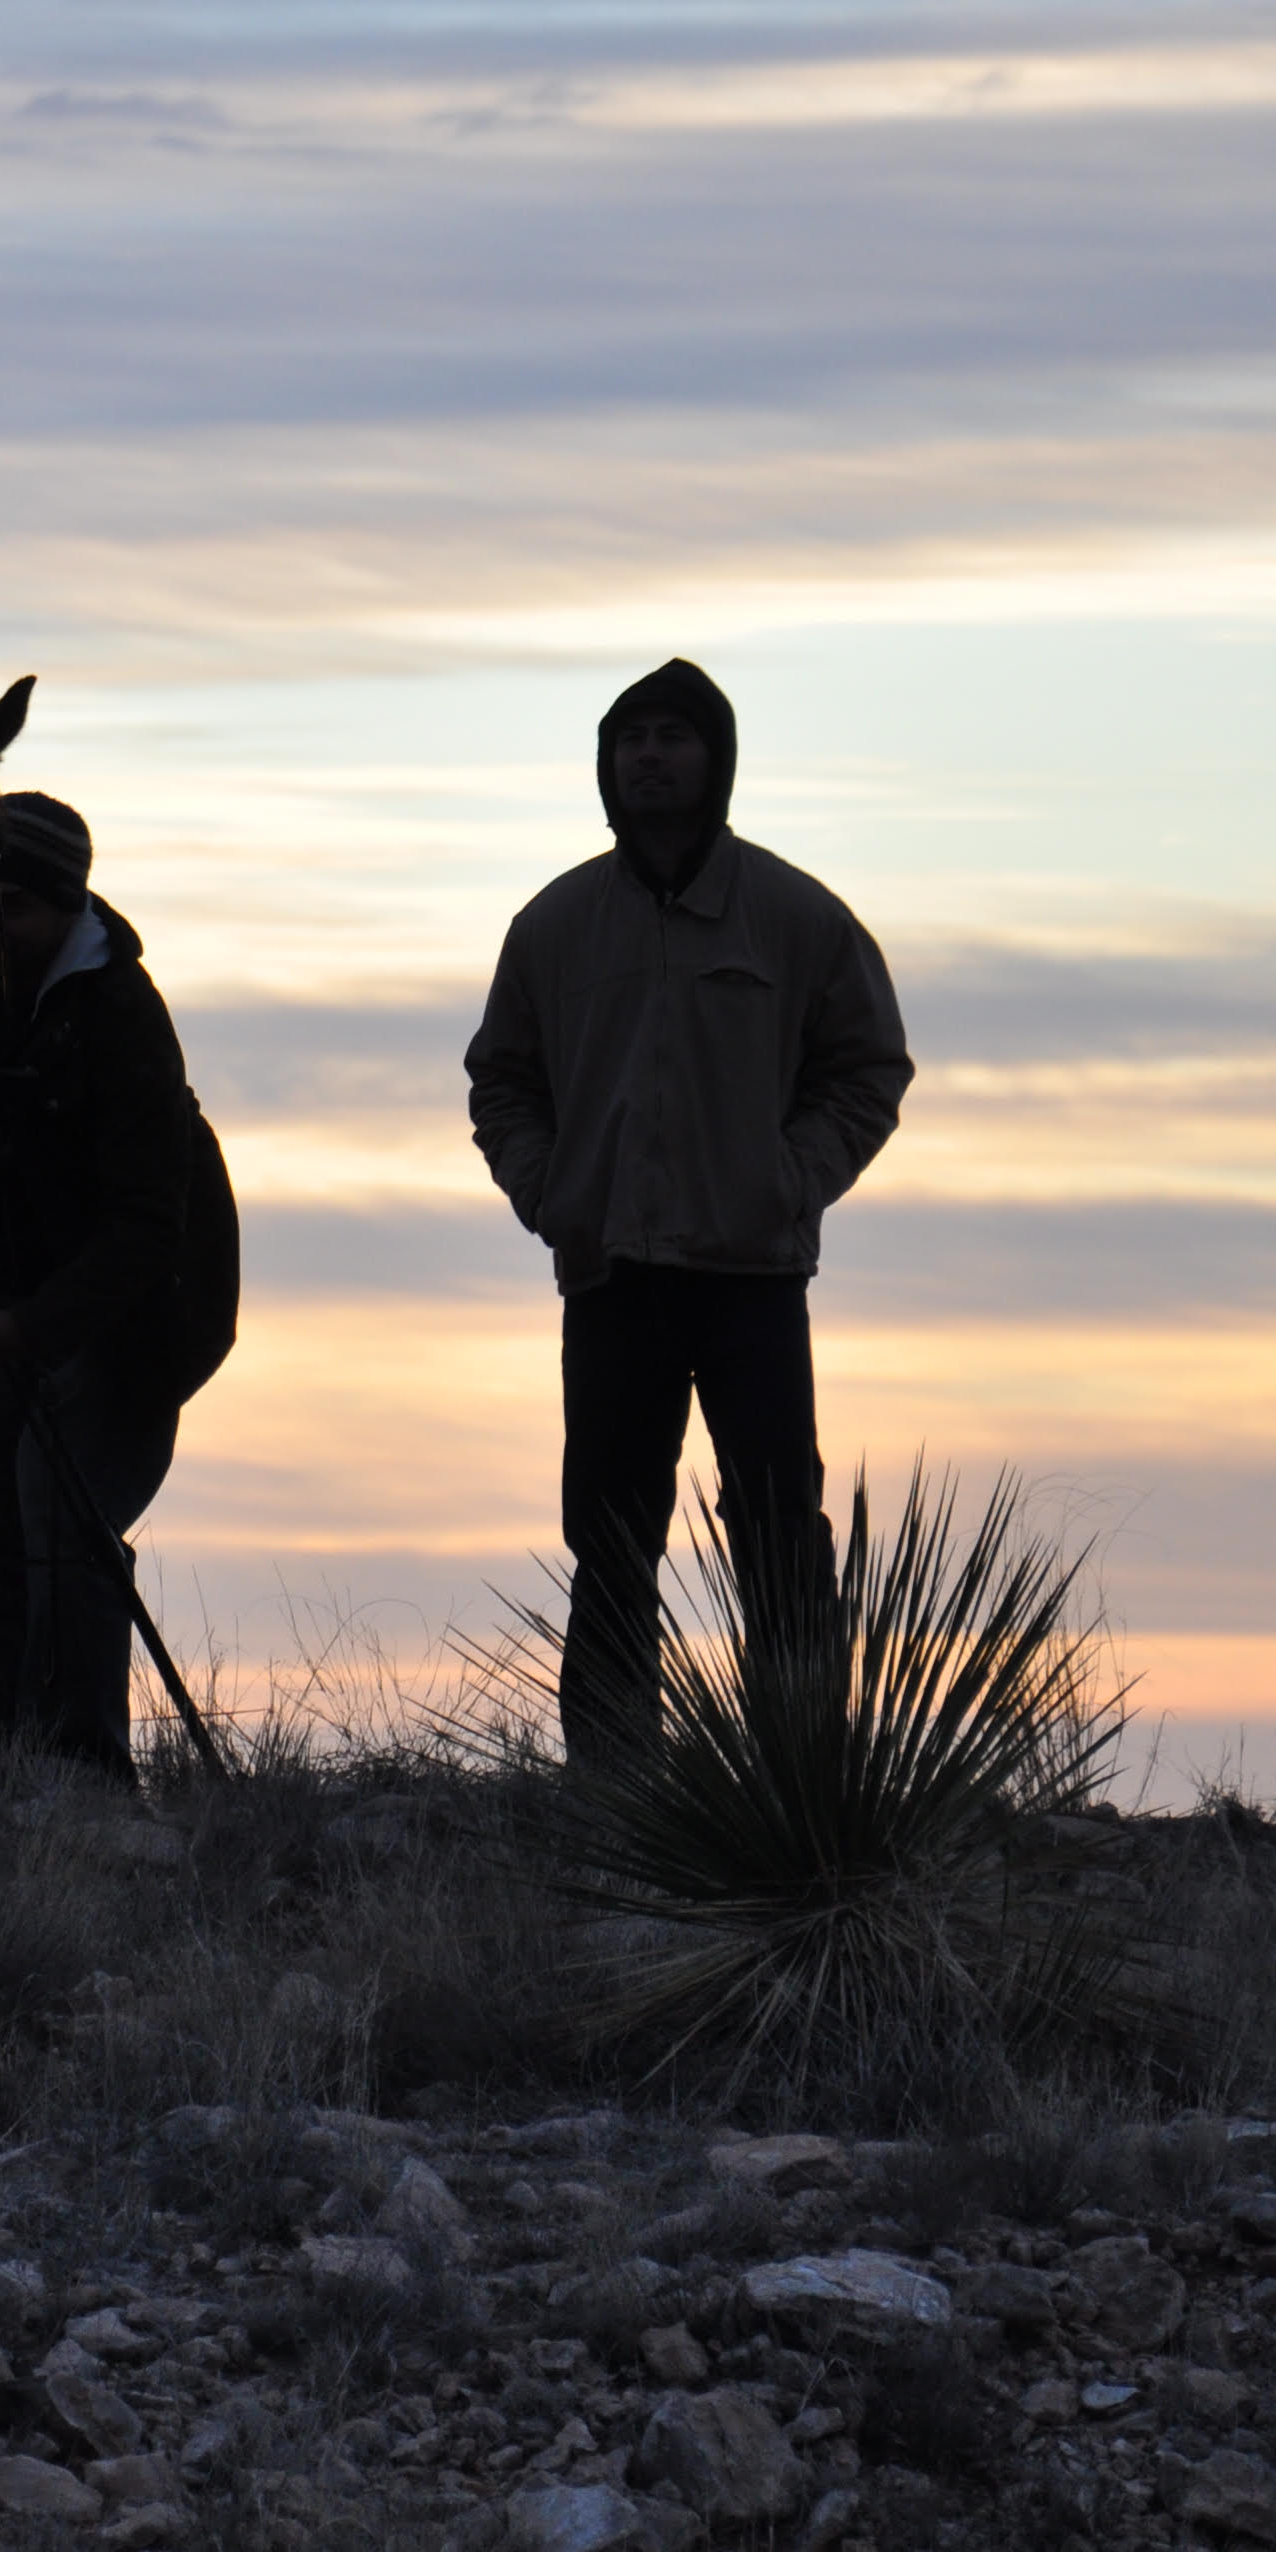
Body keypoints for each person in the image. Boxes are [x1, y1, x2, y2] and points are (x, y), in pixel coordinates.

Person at [462, 658, 912, 1772]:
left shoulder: (796, 917)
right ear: (607, 767)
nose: (651, 756)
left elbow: (867, 1068)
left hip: (752, 1277)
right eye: (633, 739)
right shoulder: (555, 925)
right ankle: (614, 1785)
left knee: (776, 1532)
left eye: (674, 736)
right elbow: (501, 1080)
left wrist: (788, 1179)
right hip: (612, 1274)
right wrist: (550, 1193)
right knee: (610, 1537)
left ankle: (804, 1774)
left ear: (716, 761)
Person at [0, 792, 239, 1782]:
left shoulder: (119, 1013)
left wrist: (25, 1327)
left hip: (131, 1323)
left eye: (17, 908)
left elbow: (146, 1229)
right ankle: (18, 1758)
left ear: (63, 904)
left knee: (62, 1522)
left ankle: (84, 1774)